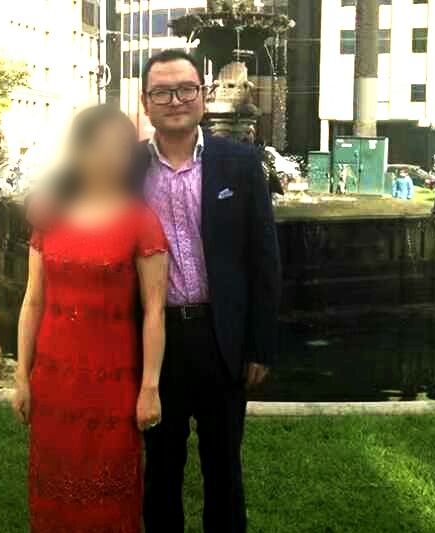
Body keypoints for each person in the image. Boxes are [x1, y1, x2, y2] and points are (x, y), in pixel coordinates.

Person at [136, 49, 282, 533]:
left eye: (186, 89)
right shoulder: (128, 169)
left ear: (202, 95)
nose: (175, 99)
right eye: (162, 91)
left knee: (224, 469)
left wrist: (259, 344)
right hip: (157, 346)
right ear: (145, 101)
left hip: (222, 340)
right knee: (160, 470)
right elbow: (74, 189)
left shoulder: (239, 163)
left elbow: (263, 259)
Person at [13, 104, 169, 533]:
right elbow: (32, 302)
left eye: (118, 147)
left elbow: (155, 311)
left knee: (109, 500)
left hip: (112, 387)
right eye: (95, 146)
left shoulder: (142, 221)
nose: (107, 157)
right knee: (54, 496)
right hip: (54, 385)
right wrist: (22, 376)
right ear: (77, 152)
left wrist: (149, 389)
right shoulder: (50, 216)